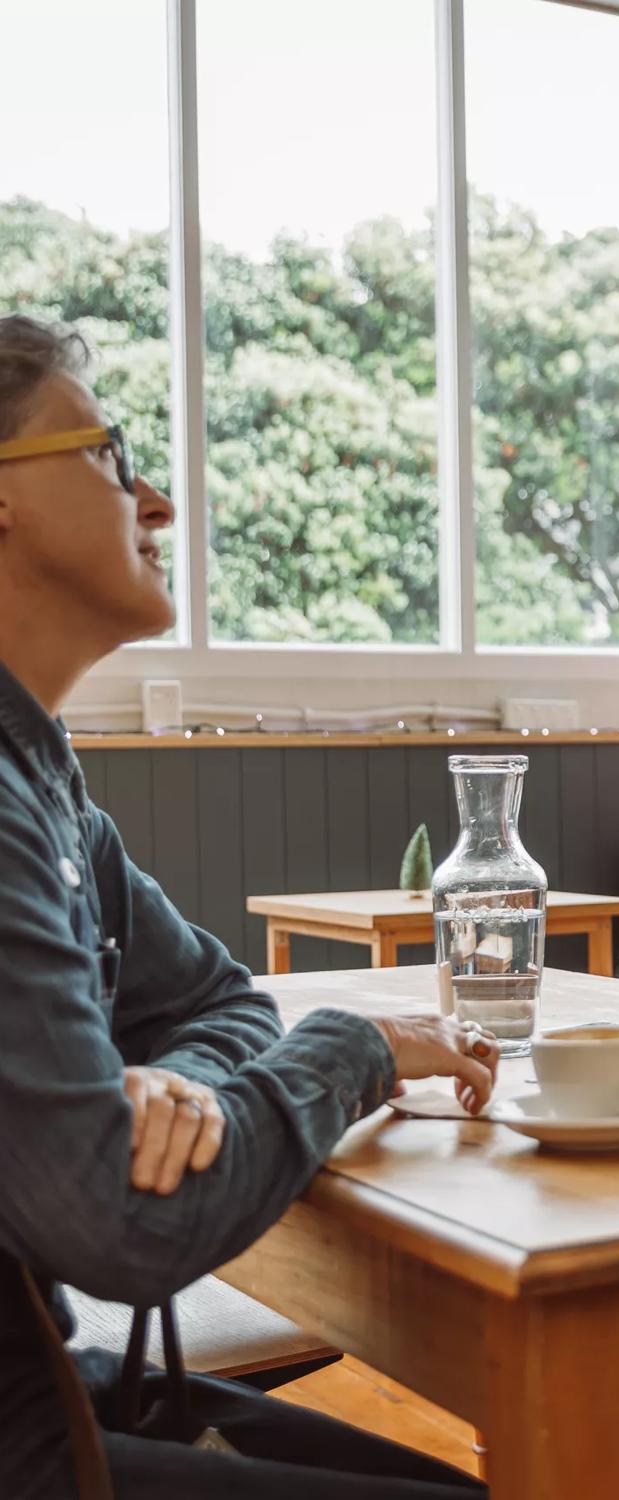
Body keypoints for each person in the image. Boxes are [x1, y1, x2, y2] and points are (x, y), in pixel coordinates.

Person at [0, 315, 492, 1499]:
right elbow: (129, 1228)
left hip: (57, 1390)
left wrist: (179, 1083)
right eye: (113, 457)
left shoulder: (45, 780)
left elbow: (222, 996)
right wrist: (360, 1045)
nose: (157, 500)